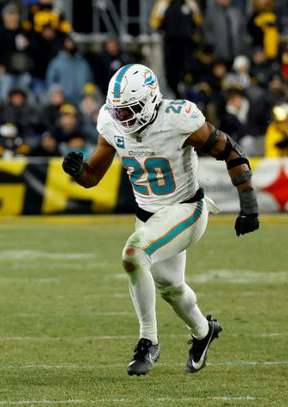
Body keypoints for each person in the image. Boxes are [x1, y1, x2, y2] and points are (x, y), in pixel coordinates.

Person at [62, 64, 259, 376]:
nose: (122, 118)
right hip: (148, 217)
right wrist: (77, 170)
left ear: (150, 101)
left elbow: (230, 151)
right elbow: (92, 177)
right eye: (118, 110)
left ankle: (148, 341)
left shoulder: (178, 118)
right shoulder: (111, 122)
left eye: (129, 110)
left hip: (186, 210)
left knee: (133, 254)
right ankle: (204, 331)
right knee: (171, 287)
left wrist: (248, 205)